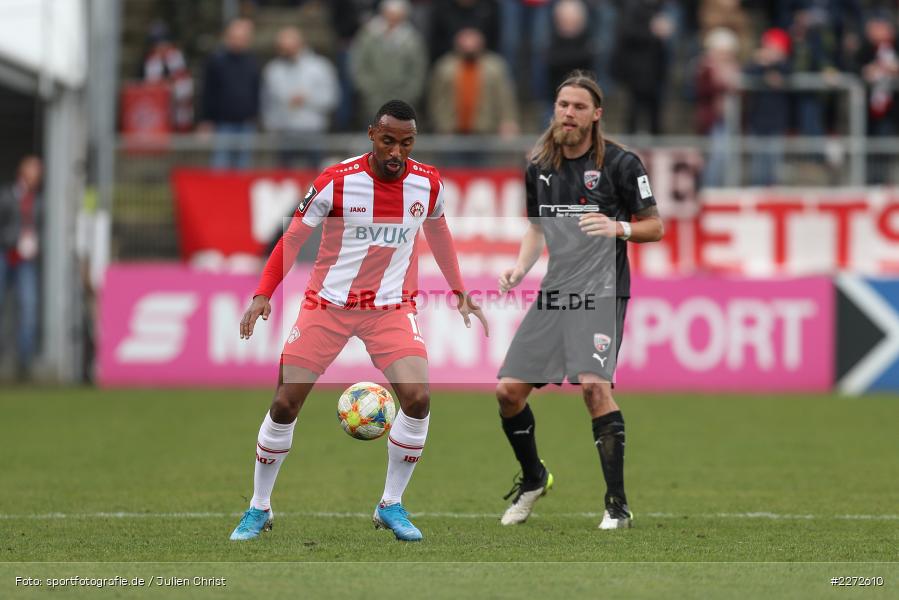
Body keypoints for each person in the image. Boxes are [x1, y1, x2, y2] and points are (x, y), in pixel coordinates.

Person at [230, 100, 488, 543]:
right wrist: (261, 295)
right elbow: (292, 239)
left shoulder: (428, 185)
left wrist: (459, 289)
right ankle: (259, 507)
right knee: (285, 403)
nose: (396, 152)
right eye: (388, 141)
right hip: (327, 305)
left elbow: (439, 232)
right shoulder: (336, 182)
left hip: (390, 308)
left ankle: (391, 504)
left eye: (406, 143)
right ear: (372, 134)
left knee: (418, 398)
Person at [495, 71, 664, 530]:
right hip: (556, 291)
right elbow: (536, 228)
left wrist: (618, 227)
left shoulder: (622, 165)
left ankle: (617, 506)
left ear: (596, 115)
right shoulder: (538, 166)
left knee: (593, 387)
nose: (568, 113)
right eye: (563, 105)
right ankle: (533, 479)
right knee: (508, 392)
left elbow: (655, 226)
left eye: (578, 107)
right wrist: (519, 268)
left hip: (603, 291)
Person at [261, 26, 339, 168]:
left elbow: (331, 98)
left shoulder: (320, 66)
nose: (284, 51)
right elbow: (267, 101)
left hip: (313, 130)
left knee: (316, 177)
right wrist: (270, 126)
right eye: (281, 47)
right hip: (283, 132)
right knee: (284, 177)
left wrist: (307, 100)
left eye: (287, 47)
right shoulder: (273, 69)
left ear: (299, 44)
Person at [0, 156, 43, 380]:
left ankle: (24, 363)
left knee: (29, 306)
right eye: (33, 170)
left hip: (27, 260)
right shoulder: (8, 194)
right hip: (5, 254)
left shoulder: (40, 200)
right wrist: (12, 240)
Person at [199, 18, 261, 170]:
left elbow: (257, 91)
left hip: (246, 124)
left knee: (243, 169)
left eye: (243, 37)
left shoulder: (253, 62)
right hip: (222, 124)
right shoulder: (215, 61)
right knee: (220, 167)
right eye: (235, 37)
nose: (239, 41)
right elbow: (208, 91)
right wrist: (206, 120)